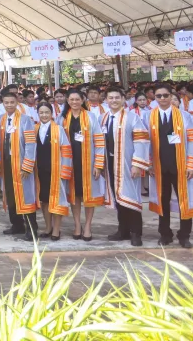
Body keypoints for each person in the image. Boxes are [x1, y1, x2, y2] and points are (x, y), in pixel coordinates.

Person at [146, 82, 193, 249]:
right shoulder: (148, 116)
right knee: (162, 200)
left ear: (171, 96)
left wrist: (192, 165)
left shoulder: (184, 116)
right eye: (159, 96)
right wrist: (148, 163)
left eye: (166, 95)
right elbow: (144, 142)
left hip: (181, 166)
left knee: (184, 201)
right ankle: (165, 234)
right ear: (154, 98)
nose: (162, 98)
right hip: (159, 167)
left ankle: (184, 235)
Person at [100, 87, 150, 247]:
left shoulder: (132, 117)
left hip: (127, 164)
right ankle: (123, 230)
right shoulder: (103, 118)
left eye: (117, 97)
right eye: (110, 98)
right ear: (106, 100)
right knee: (118, 198)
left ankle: (136, 233)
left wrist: (137, 164)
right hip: (110, 163)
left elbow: (141, 141)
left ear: (123, 99)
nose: (114, 100)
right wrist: (100, 164)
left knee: (131, 197)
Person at [61, 90, 106, 242]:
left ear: (82, 100)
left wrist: (98, 164)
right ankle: (77, 225)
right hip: (70, 163)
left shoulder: (91, 117)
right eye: (71, 99)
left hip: (88, 162)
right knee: (74, 196)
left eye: (77, 99)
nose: (74, 102)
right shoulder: (62, 118)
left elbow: (99, 141)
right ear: (68, 101)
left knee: (88, 196)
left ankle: (87, 226)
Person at [0, 90, 39, 241]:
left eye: (12, 102)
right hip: (6, 162)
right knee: (10, 194)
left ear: (17, 103)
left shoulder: (25, 120)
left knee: (25, 195)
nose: (9, 105)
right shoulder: (0, 120)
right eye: (6, 102)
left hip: (20, 163)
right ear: (3, 103)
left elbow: (30, 144)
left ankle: (31, 229)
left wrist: (27, 165)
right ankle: (17, 225)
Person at [34, 103, 72, 241]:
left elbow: (66, 151)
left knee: (56, 200)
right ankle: (48, 227)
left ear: (52, 114)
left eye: (47, 112)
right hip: (40, 171)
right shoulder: (34, 129)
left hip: (56, 171)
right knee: (44, 200)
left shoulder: (58, 129)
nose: (44, 115)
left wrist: (65, 171)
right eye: (41, 112)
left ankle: (56, 229)